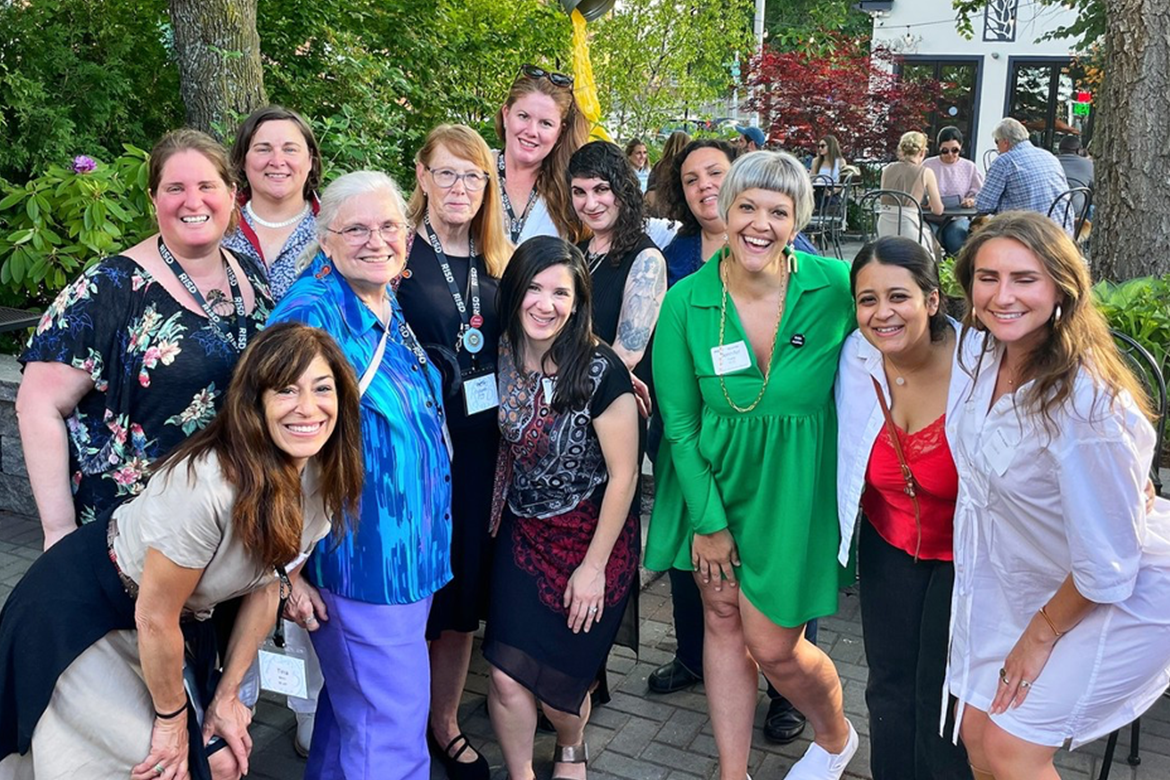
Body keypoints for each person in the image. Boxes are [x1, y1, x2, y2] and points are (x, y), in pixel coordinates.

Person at [0, 321, 364, 780]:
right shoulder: (206, 487)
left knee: (223, 760)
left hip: (171, 625)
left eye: (322, 389)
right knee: (154, 767)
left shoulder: (321, 478)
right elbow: (154, 616)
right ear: (256, 402)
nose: (307, 408)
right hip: (85, 616)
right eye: (286, 390)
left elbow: (271, 585)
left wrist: (229, 696)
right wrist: (172, 722)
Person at [646, 151, 858, 780]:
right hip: (710, 488)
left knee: (774, 644)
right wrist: (707, 522)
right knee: (720, 619)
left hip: (793, 494)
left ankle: (835, 734)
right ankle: (731, 770)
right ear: (725, 209)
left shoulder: (835, 289)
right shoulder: (686, 300)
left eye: (778, 211)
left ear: (798, 220)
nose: (759, 223)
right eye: (747, 206)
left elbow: (907, 337)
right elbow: (678, 424)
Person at [947, 211, 1170, 780]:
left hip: (1123, 591)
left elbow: (1108, 561)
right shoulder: (976, 353)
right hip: (1025, 577)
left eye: (1025, 279)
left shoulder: (1087, 404)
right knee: (974, 732)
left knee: (1009, 747)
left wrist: (1040, 635)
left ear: (1061, 290)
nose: (1002, 296)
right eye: (988, 277)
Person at [268, 171, 454, 780]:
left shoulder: (378, 299)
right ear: (325, 240)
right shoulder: (313, 317)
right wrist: (289, 570)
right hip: (362, 564)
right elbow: (268, 446)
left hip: (401, 559)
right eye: (357, 229)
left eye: (390, 226)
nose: (377, 241)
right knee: (392, 734)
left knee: (353, 720)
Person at [17, 129, 271, 547]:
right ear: (155, 200)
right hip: (136, 539)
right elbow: (36, 403)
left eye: (207, 186)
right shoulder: (110, 286)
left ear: (231, 193)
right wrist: (58, 532)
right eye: (175, 188)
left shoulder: (252, 275)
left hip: (234, 528)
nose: (193, 201)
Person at [484, 236, 641, 780]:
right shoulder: (498, 352)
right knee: (505, 675)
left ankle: (571, 745)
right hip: (523, 537)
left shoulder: (600, 371)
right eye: (532, 287)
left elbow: (623, 477)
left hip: (592, 542)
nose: (544, 304)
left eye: (560, 292)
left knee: (559, 690)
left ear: (577, 302)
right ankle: (522, 772)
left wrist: (593, 569)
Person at [835, 236, 975, 780]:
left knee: (941, 696)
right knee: (888, 686)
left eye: (899, 296)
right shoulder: (854, 358)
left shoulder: (981, 366)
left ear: (932, 300)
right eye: (867, 300)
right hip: (888, 542)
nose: (882, 313)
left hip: (964, 556)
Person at [399, 123, 512, 780]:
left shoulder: (500, 258)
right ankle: (401, 719)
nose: (460, 187)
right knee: (416, 595)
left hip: (481, 459)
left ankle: (444, 721)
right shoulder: (396, 253)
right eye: (447, 173)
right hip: (416, 457)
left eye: (473, 176)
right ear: (422, 176)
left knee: (462, 597)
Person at [569, 140, 667, 396]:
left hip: (609, 402)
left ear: (622, 189)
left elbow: (627, 355)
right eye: (579, 192)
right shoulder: (577, 251)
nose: (590, 204)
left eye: (601, 189)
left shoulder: (646, 259)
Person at [223, 106, 323, 302]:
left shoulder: (337, 228)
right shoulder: (218, 226)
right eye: (263, 149)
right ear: (243, 159)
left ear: (310, 160)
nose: (277, 161)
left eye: (290, 149)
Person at [494, 64, 590, 245]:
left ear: (560, 131)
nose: (531, 131)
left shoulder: (570, 190)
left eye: (545, 123)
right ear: (506, 115)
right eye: (523, 116)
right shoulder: (473, 171)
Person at [975, 118, 1071, 233]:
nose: (996, 147)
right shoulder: (1049, 156)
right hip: (1063, 232)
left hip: (1029, 234)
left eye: (997, 141)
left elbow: (983, 205)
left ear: (1005, 142)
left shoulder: (1004, 161)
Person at [879, 131, 945, 256]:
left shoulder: (886, 169)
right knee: (934, 248)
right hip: (909, 230)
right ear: (922, 152)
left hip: (884, 227)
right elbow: (938, 210)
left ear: (901, 150)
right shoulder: (925, 172)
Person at [923, 126, 984, 255]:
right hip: (932, 217)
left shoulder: (969, 167)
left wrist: (971, 200)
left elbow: (980, 192)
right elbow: (918, 191)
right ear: (939, 148)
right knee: (928, 242)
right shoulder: (928, 165)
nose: (950, 154)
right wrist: (925, 200)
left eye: (954, 150)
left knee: (957, 238)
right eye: (945, 151)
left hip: (957, 217)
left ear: (961, 147)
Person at [645, 130, 690, 215]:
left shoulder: (659, 166)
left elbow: (651, 193)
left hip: (661, 213)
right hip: (682, 213)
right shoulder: (687, 165)